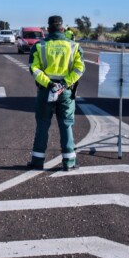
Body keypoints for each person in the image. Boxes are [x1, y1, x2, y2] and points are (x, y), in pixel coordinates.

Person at [27, 15, 85, 171]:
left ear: (48, 29)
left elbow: (34, 69)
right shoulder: (73, 46)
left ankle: (37, 161)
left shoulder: (40, 46)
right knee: (66, 125)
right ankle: (69, 163)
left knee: (42, 125)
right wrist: (64, 84)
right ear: (63, 28)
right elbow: (79, 69)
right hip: (65, 91)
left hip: (46, 91)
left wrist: (49, 83)